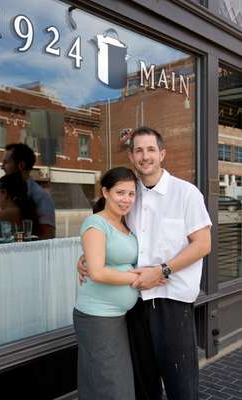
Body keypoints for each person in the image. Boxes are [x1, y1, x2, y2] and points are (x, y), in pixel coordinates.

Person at [78, 127, 212, 400]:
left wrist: (161, 270)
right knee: (144, 385)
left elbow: (203, 245)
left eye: (151, 149)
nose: (145, 155)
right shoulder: (129, 195)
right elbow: (105, 230)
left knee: (181, 386)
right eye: (138, 150)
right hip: (135, 305)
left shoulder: (186, 193)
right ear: (132, 156)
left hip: (171, 303)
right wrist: (85, 258)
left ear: (162, 154)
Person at [74, 167, 155, 400]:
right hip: (97, 316)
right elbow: (98, 273)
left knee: (105, 382)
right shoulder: (95, 223)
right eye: (121, 192)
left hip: (117, 317)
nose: (126, 199)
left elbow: (105, 258)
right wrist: (139, 277)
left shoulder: (124, 223)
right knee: (111, 386)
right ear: (106, 192)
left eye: (131, 194)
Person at [1, 143, 55, 239]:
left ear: (21, 165)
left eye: (6, 162)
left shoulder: (41, 197)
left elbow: (47, 237)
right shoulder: (6, 193)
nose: (2, 167)